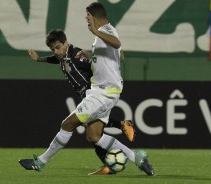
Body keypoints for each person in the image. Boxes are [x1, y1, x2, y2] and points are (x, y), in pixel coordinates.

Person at [19, 2, 154, 176]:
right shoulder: (102, 36)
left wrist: (97, 37)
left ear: (95, 16)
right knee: (93, 136)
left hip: (101, 92)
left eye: (88, 17)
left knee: (67, 124)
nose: (86, 20)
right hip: (104, 92)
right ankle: (138, 158)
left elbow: (116, 43)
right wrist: (93, 54)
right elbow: (119, 53)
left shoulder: (104, 32)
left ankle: (40, 162)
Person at [27, 29, 135, 175]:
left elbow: (98, 64)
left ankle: (120, 135)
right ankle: (116, 152)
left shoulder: (78, 55)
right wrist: (40, 59)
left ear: (66, 42)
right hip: (86, 95)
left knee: (86, 129)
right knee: (93, 134)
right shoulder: (63, 56)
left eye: (58, 47)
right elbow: (56, 59)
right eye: (53, 49)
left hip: (93, 93)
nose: (56, 52)